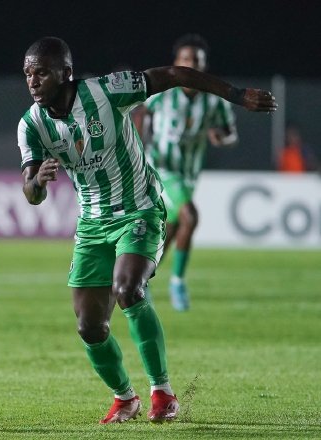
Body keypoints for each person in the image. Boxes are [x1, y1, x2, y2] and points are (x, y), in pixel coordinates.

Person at [17, 37, 275, 424]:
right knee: (89, 326)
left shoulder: (105, 91)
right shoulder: (31, 125)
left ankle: (163, 392)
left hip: (140, 207)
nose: (33, 81)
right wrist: (37, 180)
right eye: (28, 74)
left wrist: (236, 95)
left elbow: (173, 74)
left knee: (129, 289)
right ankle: (125, 398)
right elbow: (31, 193)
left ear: (65, 73)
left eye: (42, 72)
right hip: (92, 224)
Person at [136, 34, 239, 311]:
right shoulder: (163, 93)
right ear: (176, 63)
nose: (191, 64)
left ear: (203, 65)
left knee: (174, 227)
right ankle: (178, 283)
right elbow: (140, 113)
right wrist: (139, 144)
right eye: (186, 59)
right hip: (161, 167)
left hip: (190, 173)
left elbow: (231, 134)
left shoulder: (214, 99)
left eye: (196, 60)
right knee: (190, 215)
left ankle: (141, 278)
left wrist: (220, 137)